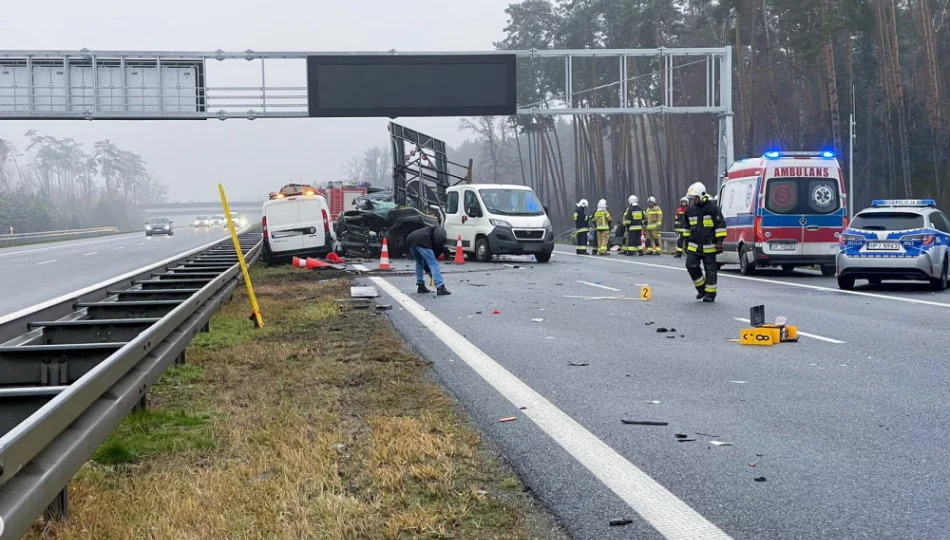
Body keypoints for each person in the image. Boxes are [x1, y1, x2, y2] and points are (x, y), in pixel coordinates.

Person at [684, 182, 727, 302]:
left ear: (702, 195)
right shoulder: (690, 210)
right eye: (692, 198)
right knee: (690, 265)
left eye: (695, 198)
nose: (694, 200)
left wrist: (719, 242)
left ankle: (710, 294)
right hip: (694, 245)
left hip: (710, 245)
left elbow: (720, 225)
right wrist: (684, 242)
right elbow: (686, 227)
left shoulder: (712, 208)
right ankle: (701, 288)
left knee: (710, 270)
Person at [406, 225, 451, 295]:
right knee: (433, 263)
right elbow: (431, 259)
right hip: (421, 240)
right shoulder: (435, 239)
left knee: (419, 262)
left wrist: (428, 270)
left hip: (410, 239)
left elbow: (425, 263)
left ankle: (420, 285)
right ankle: (440, 287)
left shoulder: (433, 231)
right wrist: (431, 273)